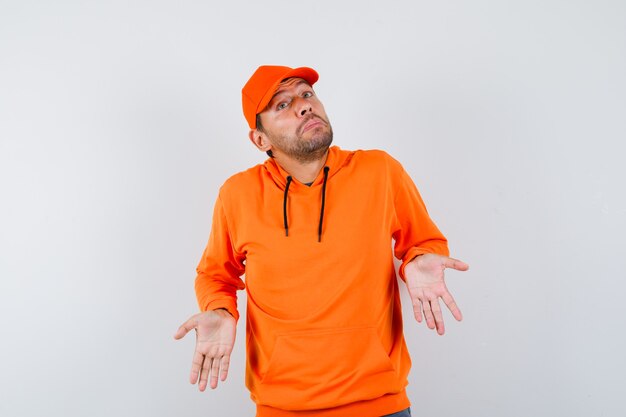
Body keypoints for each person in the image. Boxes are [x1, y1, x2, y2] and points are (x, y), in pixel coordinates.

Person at [174, 65, 469, 417]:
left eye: (306, 94)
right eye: (281, 105)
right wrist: (220, 310)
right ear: (260, 140)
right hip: (283, 407)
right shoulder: (237, 194)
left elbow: (423, 241)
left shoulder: (380, 171)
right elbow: (215, 276)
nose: (303, 105)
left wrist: (419, 259)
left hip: (381, 404)